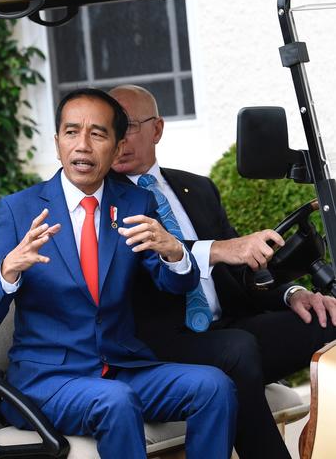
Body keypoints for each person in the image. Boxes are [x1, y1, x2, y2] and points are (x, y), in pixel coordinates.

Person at [0, 88, 237, 459]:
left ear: (115, 146)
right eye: (71, 132)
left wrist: (177, 255)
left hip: (122, 368)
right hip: (48, 381)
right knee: (115, 401)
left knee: (213, 385)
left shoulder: (134, 203)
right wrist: (7, 272)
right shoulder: (19, 210)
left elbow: (173, 284)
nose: (83, 146)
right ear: (57, 141)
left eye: (97, 134)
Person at [108, 84, 336, 459]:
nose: (117, 138)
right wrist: (219, 250)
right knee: (237, 351)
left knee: (326, 320)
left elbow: (242, 274)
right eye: (109, 127)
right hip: (158, 341)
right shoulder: (105, 200)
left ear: (157, 129)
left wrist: (293, 294)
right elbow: (139, 264)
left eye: (127, 125)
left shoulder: (196, 188)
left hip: (224, 327)